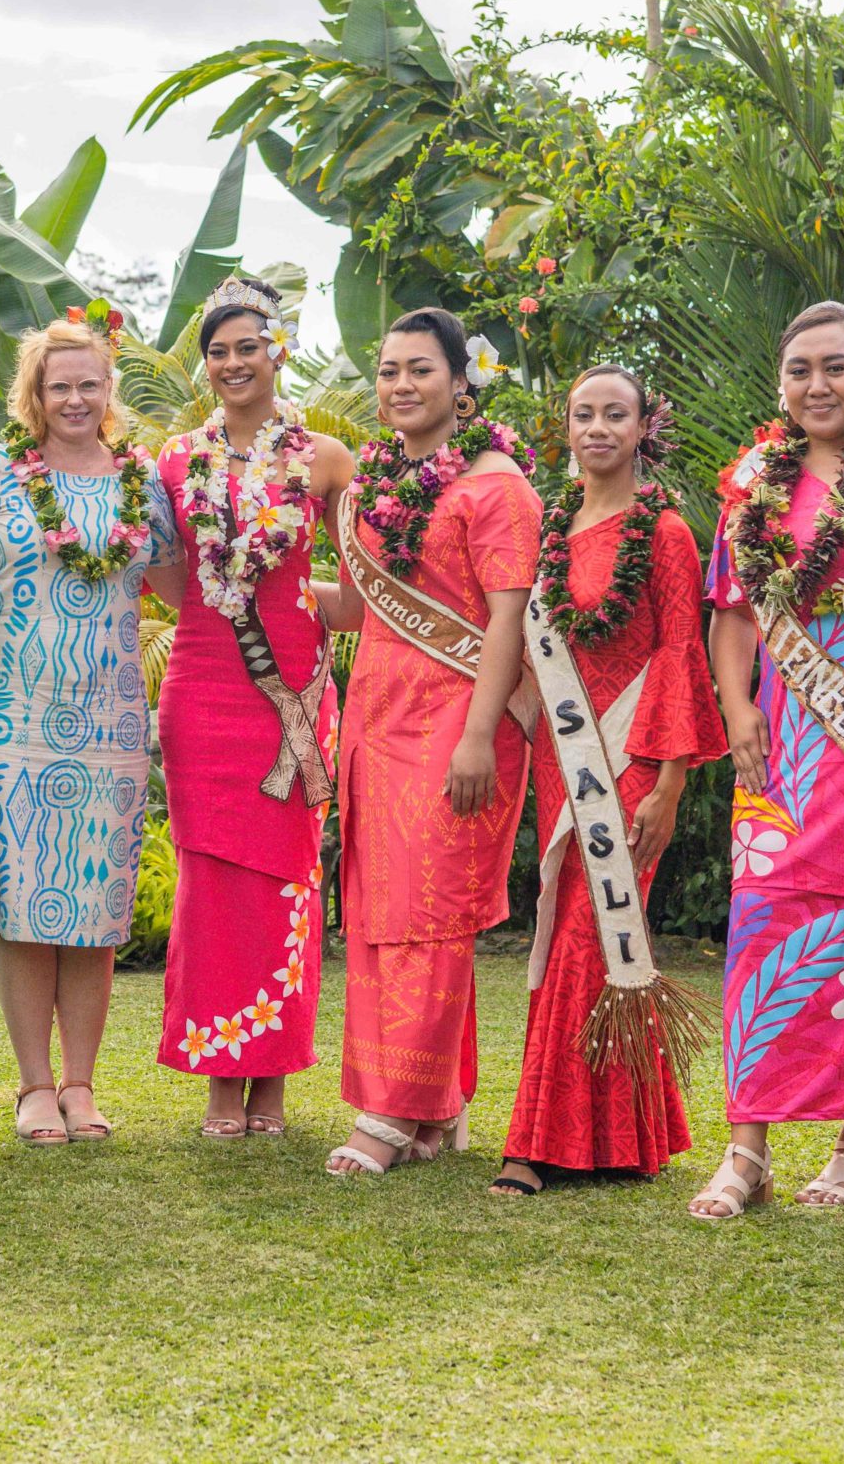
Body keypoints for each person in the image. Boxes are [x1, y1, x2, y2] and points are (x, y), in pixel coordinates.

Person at [694, 301, 844, 1220]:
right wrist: (737, 706)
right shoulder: (756, 478)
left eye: (835, 367)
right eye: (799, 369)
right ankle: (746, 1145)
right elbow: (728, 612)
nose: (816, 385)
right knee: (761, 929)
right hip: (780, 750)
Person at [491, 365, 726, 1198]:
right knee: (572, 934)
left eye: (614, 414)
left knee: (593, 933)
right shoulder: (553, 526)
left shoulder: (662, 532)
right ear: (568, 425)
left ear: (641, 426)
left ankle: (535, 1142)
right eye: (584, 413)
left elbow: (679, 653)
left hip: (631, 761)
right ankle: (628, 1138)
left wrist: (669, 785)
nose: (597, 427)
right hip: (566, 757)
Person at [321, 307, 542, 1177]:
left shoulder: (498, 486)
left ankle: (386, 1113)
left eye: (420, 369)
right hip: (375, 720)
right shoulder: (376, 485)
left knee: (431, 914)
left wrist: (480, 733)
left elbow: (507, 617)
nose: (401, 385)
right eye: (387, 370)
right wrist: (256, 572)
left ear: (461, 380)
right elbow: (353, 609)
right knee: (381, 917)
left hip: (461, 726)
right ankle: (428, 1107)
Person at [0, 309, 176, 1144]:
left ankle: (82, 1084)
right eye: (60, 385)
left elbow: (182, 587)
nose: (75, 398)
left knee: (94, 903)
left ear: (108, 389)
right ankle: (33, 1085)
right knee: (21, 902)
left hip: (110, 720)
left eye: (89, 383)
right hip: (10, 718)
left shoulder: (138, 480)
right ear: (34, 393)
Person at [145, 277, 353, 1138]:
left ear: (279, 350)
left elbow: (370, 581)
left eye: (247, 346)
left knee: (286, 883)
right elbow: (164, 575)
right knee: (210, 887)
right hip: (201, 688)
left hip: (292, 694)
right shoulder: (173, 459)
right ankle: (220, 1085)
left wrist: (304, 601)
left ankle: (272, 1080)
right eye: (218, 350)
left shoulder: (329, 457)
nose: (232, 362)